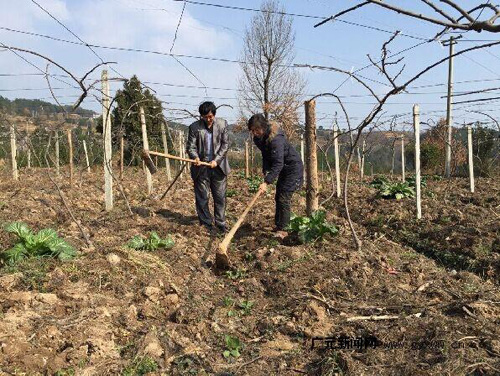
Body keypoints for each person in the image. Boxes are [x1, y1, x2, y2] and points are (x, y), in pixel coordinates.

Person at [248, 114, 303, 238]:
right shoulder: (259, 139)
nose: (255, 133)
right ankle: (279, 225)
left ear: (264, 127)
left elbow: (278, 163)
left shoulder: (276, 140)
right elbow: (266, 156)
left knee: (284, 197)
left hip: (292, 169)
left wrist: (266, 182)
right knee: (278, 196)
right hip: (283, 169)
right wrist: (266, 172)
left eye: (257, 130)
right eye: (252, 130)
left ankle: (284, 230)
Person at [186, 101, 230, 233]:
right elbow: (191, 147)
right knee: (202, 197)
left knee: (220, 197)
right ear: (201, 116)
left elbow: (225, 145)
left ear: (214, 115)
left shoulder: (222, 124)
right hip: (201, 168)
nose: (208, 119)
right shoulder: (194, 128)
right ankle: (206, 223)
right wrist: (195, 158)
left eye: (210, 116)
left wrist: (216, 160)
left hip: (218, 167)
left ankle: (221, 223)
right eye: (205, 117)